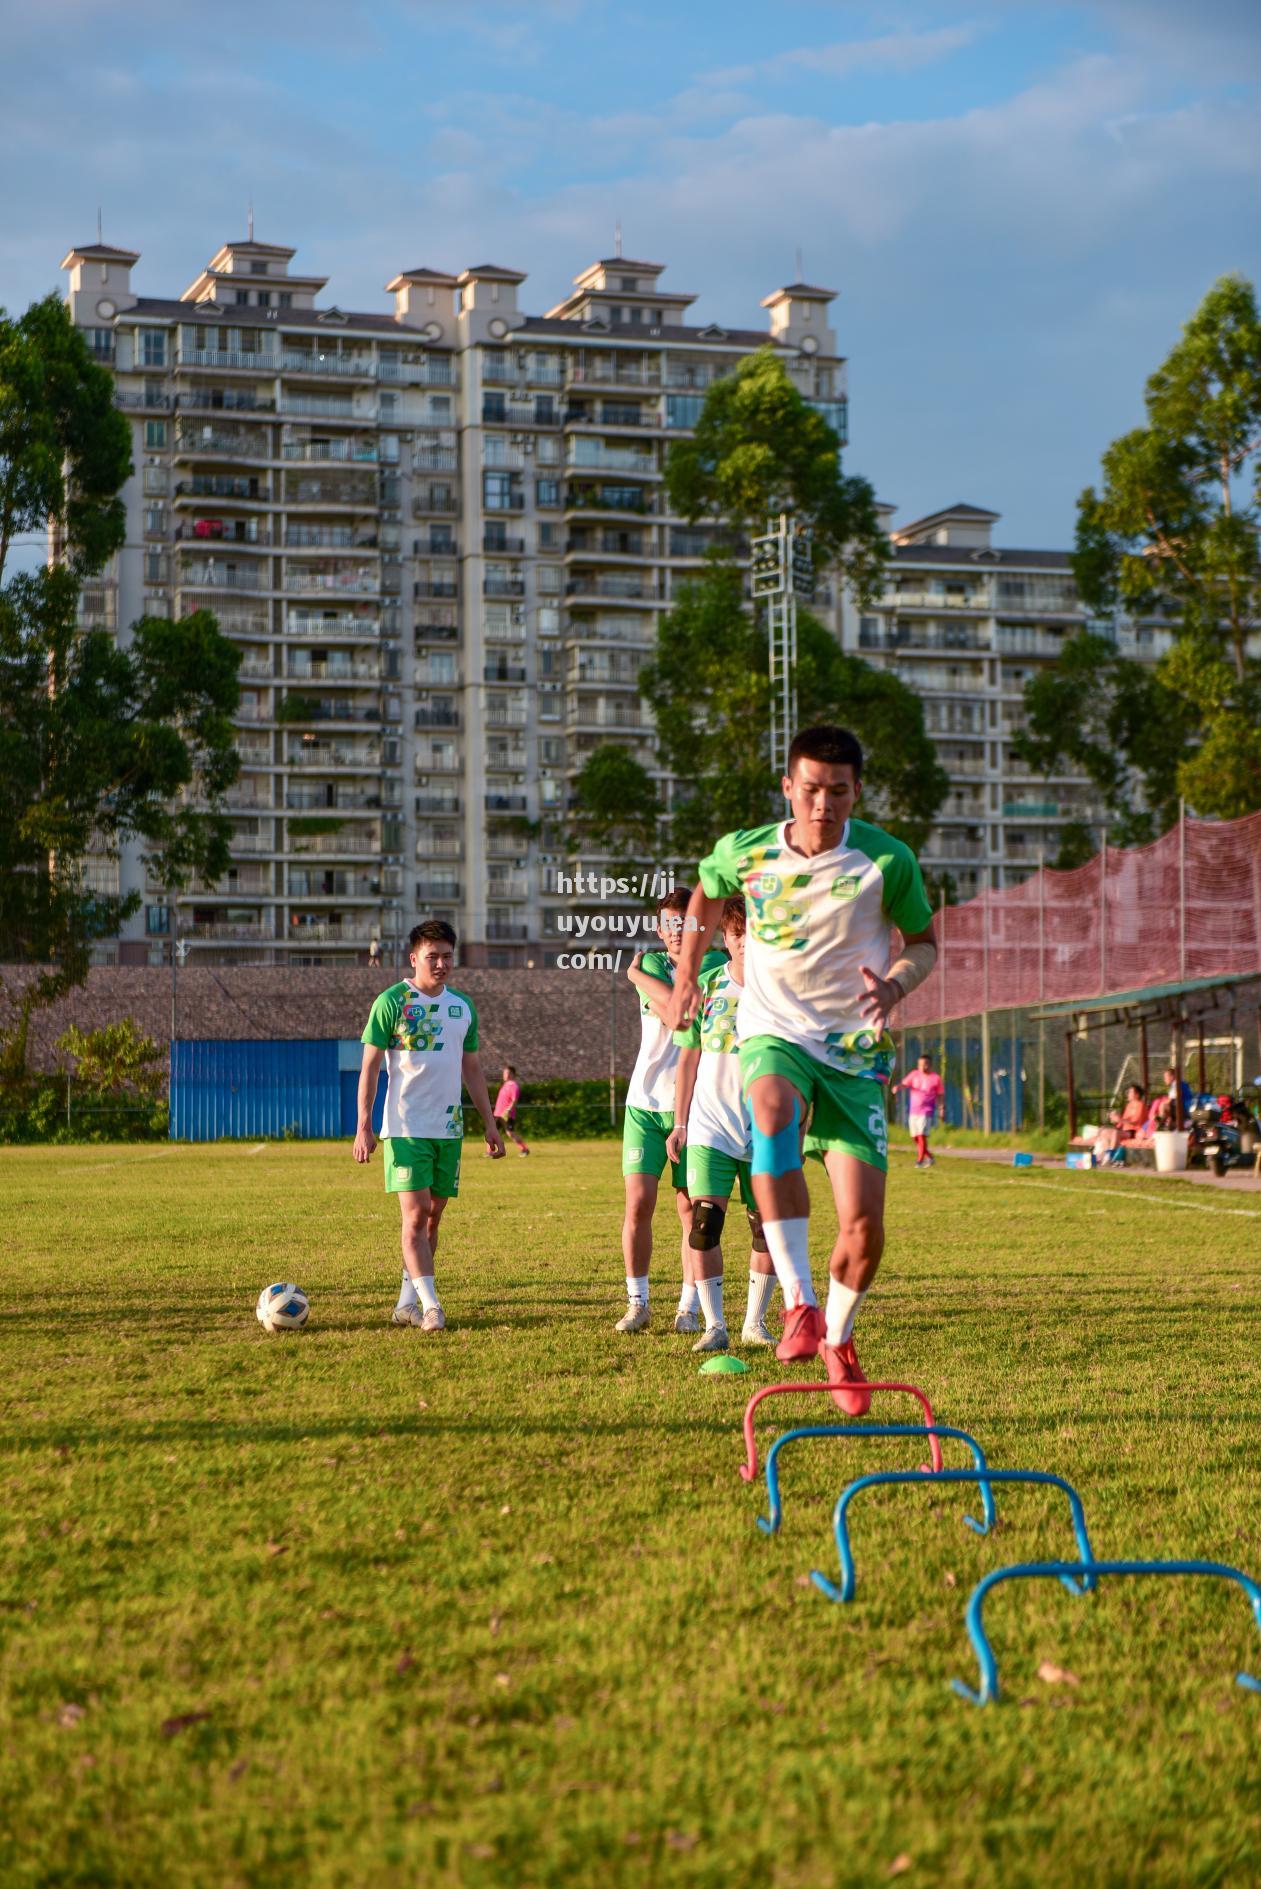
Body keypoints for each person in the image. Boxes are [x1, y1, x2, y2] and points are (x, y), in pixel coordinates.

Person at [664, 724, 937, 1413]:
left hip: (853, 1050)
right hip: (775, 1030)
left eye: (837, 792)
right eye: (810, 789)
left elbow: (927, 943)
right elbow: (704, 888)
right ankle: (799, 1304)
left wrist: (897, 984)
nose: (823, 804)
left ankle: (837, 1339)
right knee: (771, 1111)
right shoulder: (747, 850)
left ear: (856, 792)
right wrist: (685, 975)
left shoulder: (886, 860)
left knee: (863, 1230)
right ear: (788, 787)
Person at [354, 919, 504, 1330]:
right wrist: (363, 1124)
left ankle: (407, 1301)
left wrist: (490, 1124)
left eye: (447, 956)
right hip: (405, 1127)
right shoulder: (391, 1002)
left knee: (434, 1217)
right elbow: (369, 1067)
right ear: (414, 957)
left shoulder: (462, 1007)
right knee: (416, 1214)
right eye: (432, 956)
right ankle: (431, 1305)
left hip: (449, 1129)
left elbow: (471, 1069)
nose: (440, 964)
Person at [665, 894, 779, 1352]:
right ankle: (715, 1325)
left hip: (767, 1129)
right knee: (704, 1222)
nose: (746, 942)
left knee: (766, 1228)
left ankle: (755, 1322)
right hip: (711, 1125)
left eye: (754, 933)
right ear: (726, 940)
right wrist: (679, 1122)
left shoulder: (781, 991)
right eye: (736, 934)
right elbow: (687, 1058)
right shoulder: (706, 986)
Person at [616, 887, 728, 1334]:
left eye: (687, 921)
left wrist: (634, 978)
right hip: (644, 1106)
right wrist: (641, 974)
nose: (678, 930)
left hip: (695, 1105)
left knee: (689, 1210)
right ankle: (637, 1302)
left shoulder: (720, 965)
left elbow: (683, 1018)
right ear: (660, 929)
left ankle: (688, 1307)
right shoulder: (650, 961)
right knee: (638, 1204)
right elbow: (674, 1012)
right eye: (670, 923)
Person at [898, 1052, 946, 1169]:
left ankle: (919, 1161)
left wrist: (941, 1109)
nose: (922, 1067)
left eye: (925, 1065)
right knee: (915, 1137)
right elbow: (904, 1084)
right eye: (920, 1065)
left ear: (930, 1065)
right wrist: (897, 1087)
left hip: (926, 1111)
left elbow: (940, 1095)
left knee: (921, 1136)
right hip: (913, 1111)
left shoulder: (936, 1078)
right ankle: (930, 1157)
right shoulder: (914, 1074)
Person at [1094, 1083, 1147, 1157]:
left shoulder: (1140, 1105)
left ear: (1137, 1095)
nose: (1128, 1094)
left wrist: (1119, 1120)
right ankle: (1103, 1155)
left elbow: (1135, 1122)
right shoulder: (1129, 1105)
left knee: (1115, 1133)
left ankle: (1110, 1155)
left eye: (1130, 1092)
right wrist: (1115, 1118)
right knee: (1104, 1132)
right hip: (1124, 1130)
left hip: (1133, 1131)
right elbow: (1123, 1121)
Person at [493, 1064, 530, 1157]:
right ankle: (490, 1151)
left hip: (507, 1114)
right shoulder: (505, 1085)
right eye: (504, 1073)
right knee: (492, 1131)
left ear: (513, 1074)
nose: (505, 1075)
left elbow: (514, 1099)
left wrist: (509, 1109)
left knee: (510, 1133)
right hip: (498, 1113)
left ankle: (524, 1149)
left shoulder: (514, 1085)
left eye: (508, 1073)